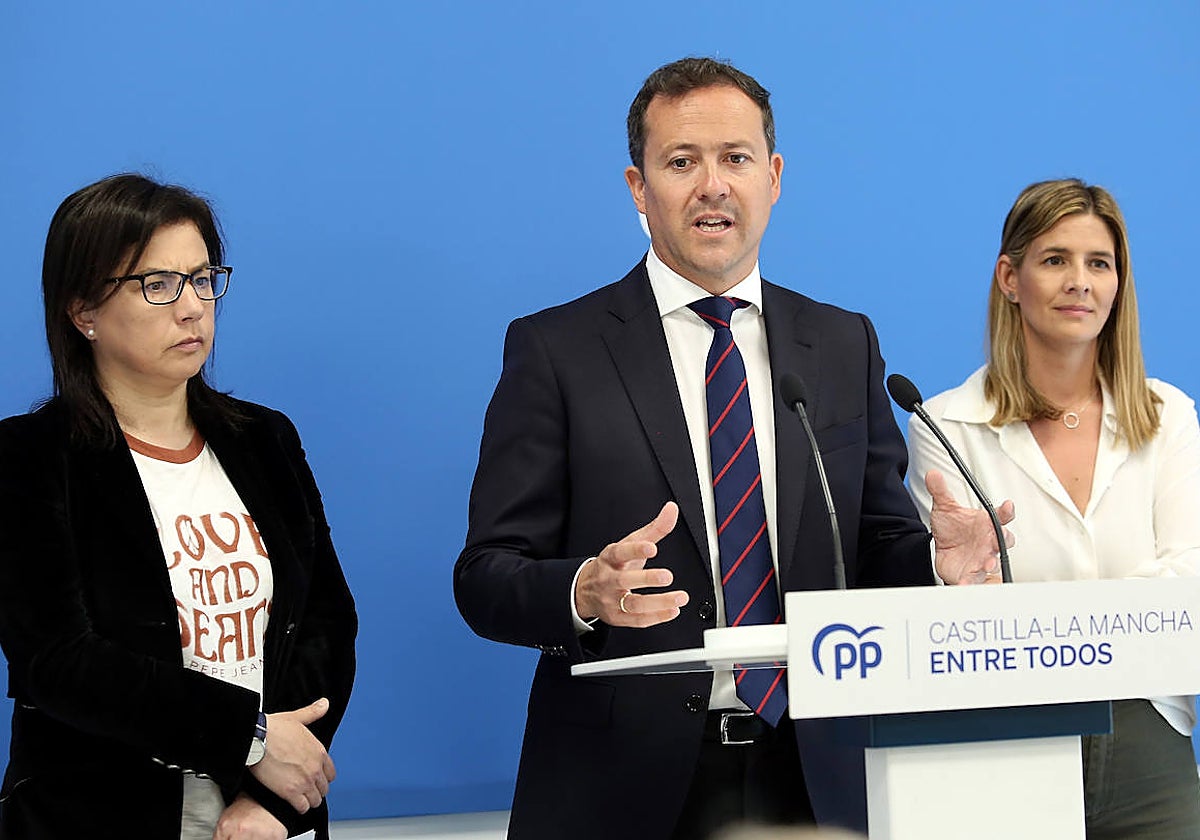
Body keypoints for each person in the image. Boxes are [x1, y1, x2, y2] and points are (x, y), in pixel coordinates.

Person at [454, 57, 1011, 839]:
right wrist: (582, 590)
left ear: (773, 178)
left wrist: (933, 562)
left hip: (810, 773)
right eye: (682, 162)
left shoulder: (841, 344)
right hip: (618, 785)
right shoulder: (558, 350)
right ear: (638, 188)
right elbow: (485, 575)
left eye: (736, 158)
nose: (712, 185)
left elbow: (870, 547)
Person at [0, 174, 358, 839]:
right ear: (83, 310)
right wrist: (248, 736)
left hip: (264, 821)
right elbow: (58, 661)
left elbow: (326, 624)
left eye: (202, 279)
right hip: (97, 816)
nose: (192, 308)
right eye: (157, 284)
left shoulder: (265, 439)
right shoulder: (26, 458)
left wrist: (273, 804)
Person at [906, 178, 1200, 838]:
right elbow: (961, 618)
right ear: (1010, 278)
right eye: (1055, 259)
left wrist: (1041, 616)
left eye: (1099, 263)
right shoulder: (947, 425)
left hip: (1147, 727)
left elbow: (1191, 586)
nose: (1080, 282)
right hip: (1009, 732)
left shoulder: (1169, 416)